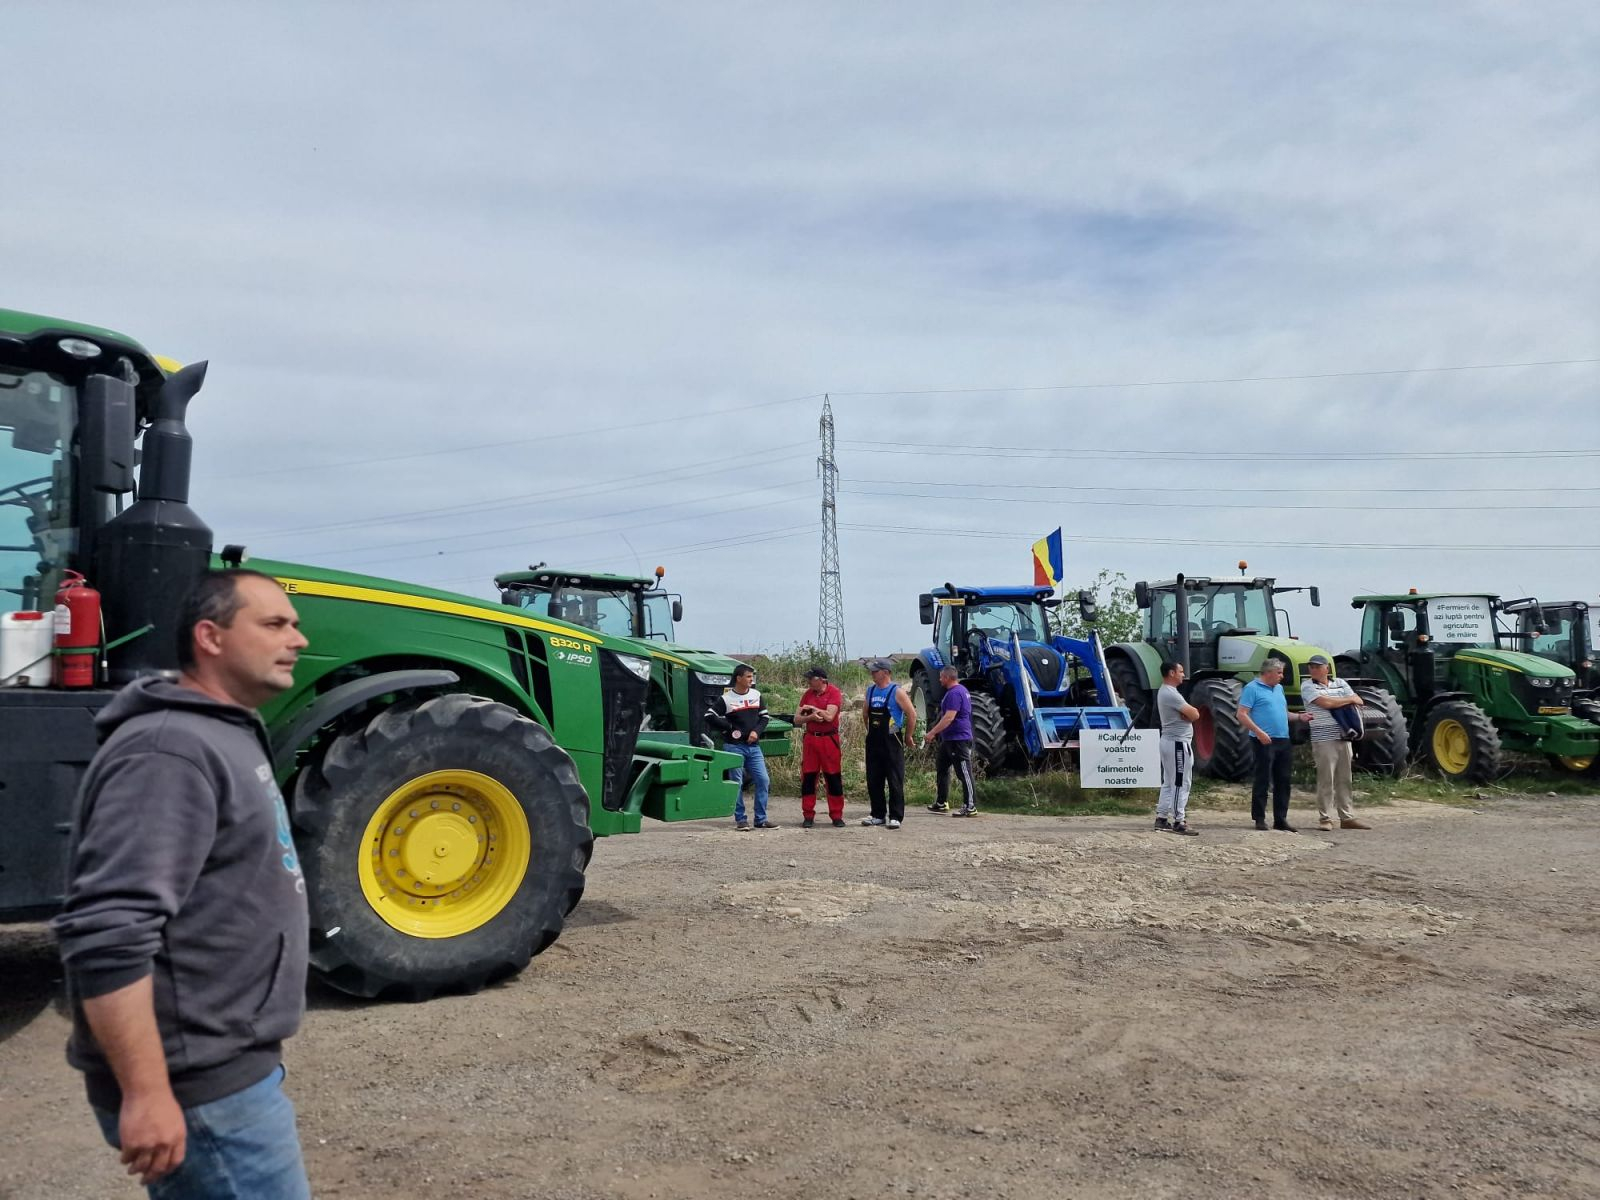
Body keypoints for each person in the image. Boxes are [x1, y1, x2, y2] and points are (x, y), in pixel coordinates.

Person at [51, 570, 313, 1198]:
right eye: (275, 624)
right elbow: (107, 932)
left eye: (294, 624)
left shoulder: (220, 732)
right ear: (210, 636)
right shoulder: (169, 749)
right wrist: (146, 1092)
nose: (297, 639)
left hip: (226, 1072)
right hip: (201, 1091)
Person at [1237, 659, 1312, 832]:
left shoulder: (1278, 689)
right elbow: (1241, 714)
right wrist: (1258, 732)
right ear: (1269, 672)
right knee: (1263, 778)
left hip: (1283, 739)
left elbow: (1282, 713)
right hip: (1263, 740)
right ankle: (1259, 818)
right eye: (1279, 673)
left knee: (1283, 780)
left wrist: (1299, 717)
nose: (1281, 676)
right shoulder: (1252, 688)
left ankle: (1280, 819)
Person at [1301, 655, 1372, 832]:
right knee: (1326, 779)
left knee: (1345, 778)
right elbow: (1325, 703)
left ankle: (1347, 817)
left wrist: (1341, 702)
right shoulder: (1308, 685)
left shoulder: (1340, 682)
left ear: (1327, 668)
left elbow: (1360, 700)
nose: (1313, 669)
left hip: (1344, 736)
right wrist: (1347, 700)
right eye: (1311, 667)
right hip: (1323, 738)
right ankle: (1325, 818)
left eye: (1317, 666)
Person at [704, 664, 774, 831]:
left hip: (753, 747)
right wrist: (728, 727)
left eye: (752, 677)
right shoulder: (727, 699)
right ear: (739, 678)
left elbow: (764, 718)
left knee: (763, 780)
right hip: (734, 747)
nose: (751, 680)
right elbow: (709, 716)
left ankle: (761, 819)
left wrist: (756, 732)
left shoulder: (756, 695)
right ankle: (741, 819)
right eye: (749, 677)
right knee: (737, 782)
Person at [860, 659, 918, 829]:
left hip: (892, 740)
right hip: (874, 740)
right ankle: (877, 814)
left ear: (885, 672)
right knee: (874, 778)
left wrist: (908, 736)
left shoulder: (896, 691)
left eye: (875, 671)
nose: (872, 674)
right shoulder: (870, 691)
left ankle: (895, 816)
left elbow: (912, 714)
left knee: (894, 779)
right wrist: (869, 731)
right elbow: (865, 714)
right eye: (871, 671)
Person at [923, 665, 977, 816]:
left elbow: (949, 717)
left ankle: (970, 806)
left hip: (958, 739)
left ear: (947, 677)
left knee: (964, 772)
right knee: (942, 768)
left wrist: (932, 732)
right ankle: (941, 802)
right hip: (948, 740)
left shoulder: (955, 693)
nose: (940, 680)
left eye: (941, 677)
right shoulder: (957, 691)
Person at [1154, 660, 1201, 835]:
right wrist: (1188, 714)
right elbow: (1195, 714)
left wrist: (1187, 714)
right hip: (1178, 743)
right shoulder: (1171, 694)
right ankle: (1179, 821)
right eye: (1180, 671)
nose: (1183, 674)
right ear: (1172, 673)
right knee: (1181, 782)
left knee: (1169, 781)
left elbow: (1190, 714)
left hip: (1170, 741)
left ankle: (1161, 817)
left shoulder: (1168, 692)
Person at [797, 666, 846, 828]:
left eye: (811, 679)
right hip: (811, 739)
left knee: (833, 777)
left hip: (829, 740)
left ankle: (837, 815)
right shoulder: (807, 694)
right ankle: (808, 814)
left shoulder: (834, 692)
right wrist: (810, 716)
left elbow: (830, 716)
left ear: (821, 680)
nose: (808, 681)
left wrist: (816, 709)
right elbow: (797, 719)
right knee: (809, 778)